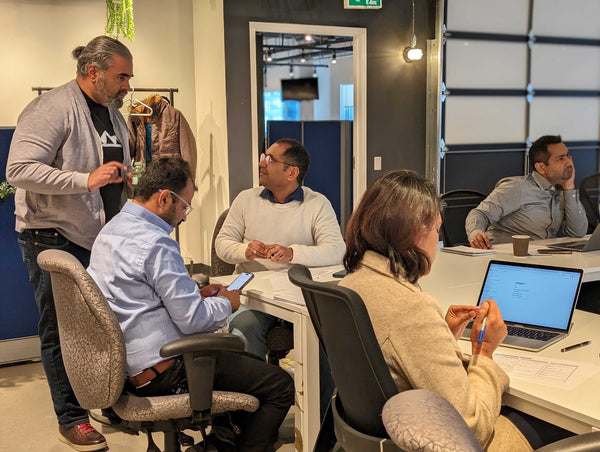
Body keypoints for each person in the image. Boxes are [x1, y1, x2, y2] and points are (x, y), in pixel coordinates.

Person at [340, 169, 574, 451]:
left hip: (387, 430)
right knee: (563, 424)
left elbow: (393, 359)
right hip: (440, 437)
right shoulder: (410, 307)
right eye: (436, 229)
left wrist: (443, 336)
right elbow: (471, 426)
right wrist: (484, 353)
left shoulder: (353, 283)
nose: (436, 240)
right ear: (415, 232)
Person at [87, 156, 294, 452]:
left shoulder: (111, 230)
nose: (184, 216)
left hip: (128, 367)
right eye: (184, 206)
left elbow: (139, 297)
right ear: (164, 198)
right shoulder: (156, 243)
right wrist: (227, 303)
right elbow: (193, 322)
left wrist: (195, 295)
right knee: (279, 384)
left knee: (250, 365)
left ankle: (218, 444)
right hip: (165, 370)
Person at [6, 36, 134, 451]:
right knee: (63, 331)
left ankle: (109, 402)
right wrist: (85, 180)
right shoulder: (51, 108)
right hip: (52, 236)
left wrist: (126, 179)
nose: (127, 85)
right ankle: (72, 418)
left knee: (108, 325)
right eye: (121, 76)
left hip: (102, 238)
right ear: (93, 72)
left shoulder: (112, 114)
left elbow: (110, 169)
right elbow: (19, 170)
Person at [215, 138, 345, 418]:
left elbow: (337, 250)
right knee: (244, 328)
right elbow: (222, 245)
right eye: (264, 156)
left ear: (292, 172)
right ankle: (248, 418)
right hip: (244, 280)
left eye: (270, 159)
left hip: (296, 287)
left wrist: (292, 253)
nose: (261, 163)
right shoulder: (245, 199)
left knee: (325, 333)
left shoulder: (317, 203)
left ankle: (323, 419)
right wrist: (244, 250)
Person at [466, 135, 588, 249]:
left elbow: (578, 232)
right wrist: (476, 233)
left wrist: (569, 186)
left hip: (542, 256)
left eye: (567, 156)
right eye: (561, 158)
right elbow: (480, 213)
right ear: (541, 168)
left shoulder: (562, 190)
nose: (569, 162)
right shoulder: (517, 187)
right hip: (507, 255)